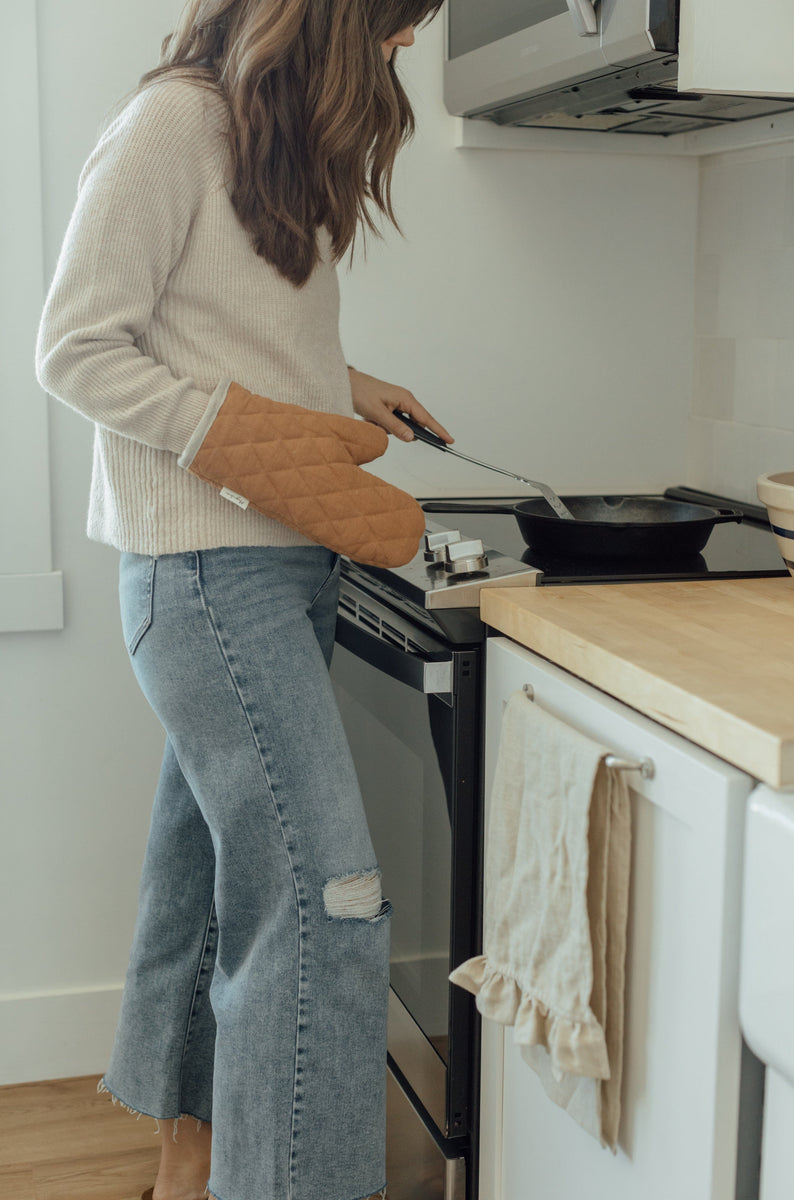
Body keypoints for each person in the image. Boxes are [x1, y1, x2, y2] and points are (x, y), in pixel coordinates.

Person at [35, 1, 451, 1198]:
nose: (405, 46)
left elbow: (212, 331)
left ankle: (191, 1162)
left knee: (220, 894)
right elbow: (74, 347)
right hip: (210, 578)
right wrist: (245, 435)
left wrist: (340, 385)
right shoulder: (171, 125)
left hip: (275, 568)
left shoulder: (257, 135)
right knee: (328, 904)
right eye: (394, 21)